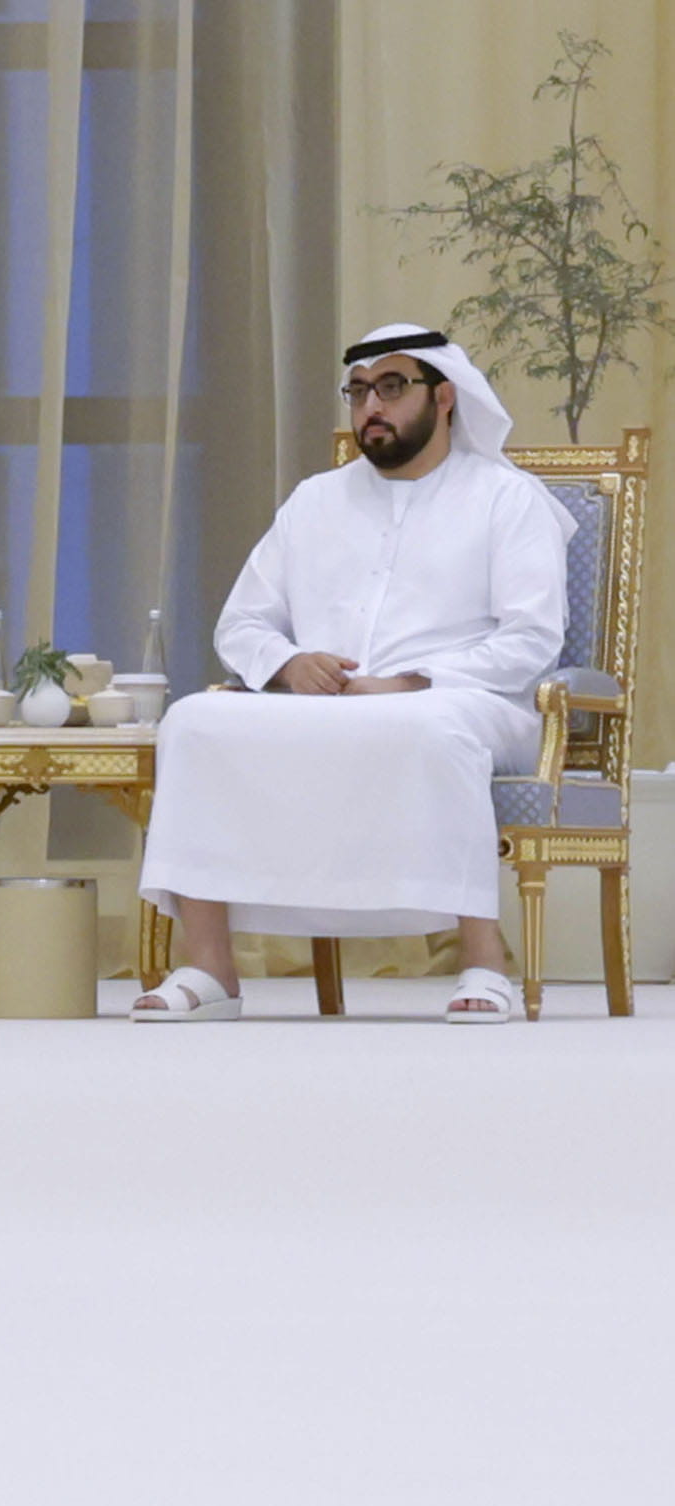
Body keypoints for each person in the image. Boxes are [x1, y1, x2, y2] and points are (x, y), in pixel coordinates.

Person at [130, 326, 575, 1023]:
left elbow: (532, 639)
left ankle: (483, 962)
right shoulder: (315, 500)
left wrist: (410, 681)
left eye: (392, 387)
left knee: (432, 727)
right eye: (360, 390)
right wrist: (288, 664)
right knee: (191, 721)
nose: (372, 406)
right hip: (328, 705)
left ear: (445, 397)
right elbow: (240, 624)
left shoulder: (504, 498)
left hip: (469, 701)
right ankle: (211, 967)